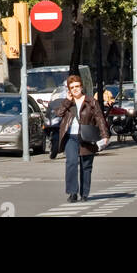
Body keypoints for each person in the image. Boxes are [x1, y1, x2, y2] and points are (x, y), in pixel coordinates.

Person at [58, 74, 108, 203]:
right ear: (69, 89)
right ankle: (72, 193)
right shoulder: (68, 102)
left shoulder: (91, 101)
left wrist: (105, 136)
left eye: (77, 86)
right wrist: (67, 101)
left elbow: (100, 118)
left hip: (87, 137)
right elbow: (58, 113)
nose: (75, 89)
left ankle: (84, 193)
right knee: (71, 163)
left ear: (81, 87)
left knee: (86, 165)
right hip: (71, 137)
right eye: (72, 87)